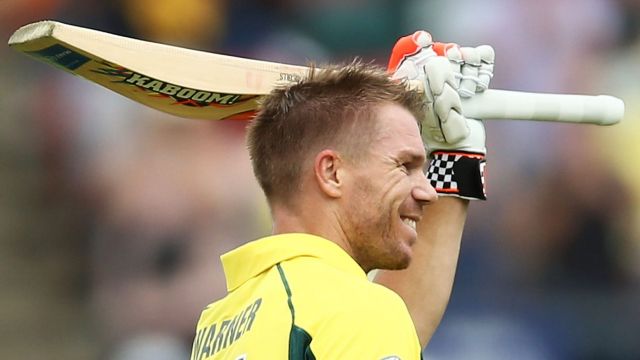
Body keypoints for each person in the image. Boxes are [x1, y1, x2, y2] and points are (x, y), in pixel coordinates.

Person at [190, 31, 495, 359]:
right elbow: (373, 320)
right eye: (404, 165)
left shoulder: (219, 321)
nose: (426, 192)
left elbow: (400, 324)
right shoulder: (359, 313)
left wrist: (458, 159)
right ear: (332, 174)